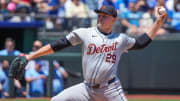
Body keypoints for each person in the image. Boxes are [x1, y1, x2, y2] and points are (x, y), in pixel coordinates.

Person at [9, 5, 167, 101]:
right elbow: (57, 45)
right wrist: (29, 56)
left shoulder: (121, 39)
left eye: (104, 16)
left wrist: (158, 22)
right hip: (87, 89)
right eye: (99, 15)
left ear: (113, 20)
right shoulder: (84, 33)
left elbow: (141, 43)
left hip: (110, 89)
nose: (100, 18)